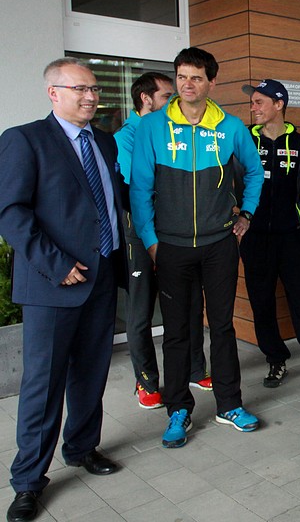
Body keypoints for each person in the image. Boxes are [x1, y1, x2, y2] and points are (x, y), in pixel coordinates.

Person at [0, 58, 125, 522]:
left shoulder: (105, 141)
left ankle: (82, 447)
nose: (90, 97)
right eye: (80, 89)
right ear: (53, 92)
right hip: (54, 284)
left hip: (101, 276)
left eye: (94, 89)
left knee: (90, 374)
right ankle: (28, 481)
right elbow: (11, 213)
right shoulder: (25, 139)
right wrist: (56, 264)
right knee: (43, 384)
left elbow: (109, 202)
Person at [130, 47, 265, 448]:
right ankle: (178, 410)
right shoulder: (152, 126)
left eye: (197, 78)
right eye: (182, 77)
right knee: (176, 331)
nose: (188, 85)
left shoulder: (231, 127)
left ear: (211, 82)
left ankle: (229, 405)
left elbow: (255, 173)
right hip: (170, 247)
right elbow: (140, 189)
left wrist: (247, 215)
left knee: (222, 327)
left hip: (219, 244)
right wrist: (151, 242)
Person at [116, 72, 210, 409]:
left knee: (190, 302)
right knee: (141, 310)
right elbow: (143, 184)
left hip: (178, 232)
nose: (175, 100)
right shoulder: (126, 136)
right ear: (146, 99)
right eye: (166, 95)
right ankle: (146, 381)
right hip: (141, 234)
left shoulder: (173, 131)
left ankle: (195, 369)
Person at [238, 79, 300, 389]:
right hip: (254, 238)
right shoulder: (245, 141)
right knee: (262, 302)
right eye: (252, 102)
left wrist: (298, 220)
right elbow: (234, 182)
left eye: (259, 101)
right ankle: (275, 359)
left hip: (292, 237)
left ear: (279, 104)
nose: (253, 107)